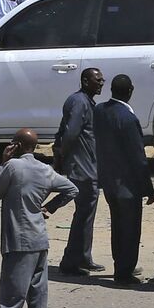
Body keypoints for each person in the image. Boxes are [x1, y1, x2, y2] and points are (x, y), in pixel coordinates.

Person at [0, 128, 77, 308]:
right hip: (40, 241)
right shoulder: (45, 170)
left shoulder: (12, 167)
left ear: (16, 145)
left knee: (11, 301)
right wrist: (50, 207)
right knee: (37, 300)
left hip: (18, 243)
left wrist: (2, 163)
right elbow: (72, 189)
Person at [93, 75, 153, 285]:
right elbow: (138, 157)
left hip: (108, 180)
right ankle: (124, 271)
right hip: (128, 184)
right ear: (130, 91)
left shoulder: (100, 111)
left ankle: (121, 265)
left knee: (118, 226)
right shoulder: (128, 119)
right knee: (130, 229)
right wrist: (148, 188)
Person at [55, 68, 103, 276]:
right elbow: (70, 132)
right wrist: (62, 157)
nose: (101, 83)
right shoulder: (79, 102)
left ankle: (83, 257)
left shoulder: (85, 101)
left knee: (86, 214)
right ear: (85, 81)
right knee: (83, 214)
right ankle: (71, 261)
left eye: (102, 80)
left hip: (87, 166)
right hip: (83, 168)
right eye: (97, 80)